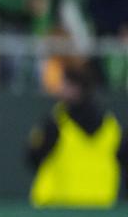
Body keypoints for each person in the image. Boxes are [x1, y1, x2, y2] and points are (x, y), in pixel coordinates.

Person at [28, 63, 126, 207]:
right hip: (101, 209)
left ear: (76, 88)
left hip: (56, 208)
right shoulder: (112, 127)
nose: (60, 89)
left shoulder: (54, 123)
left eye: (64, 83)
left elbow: (32, 157)